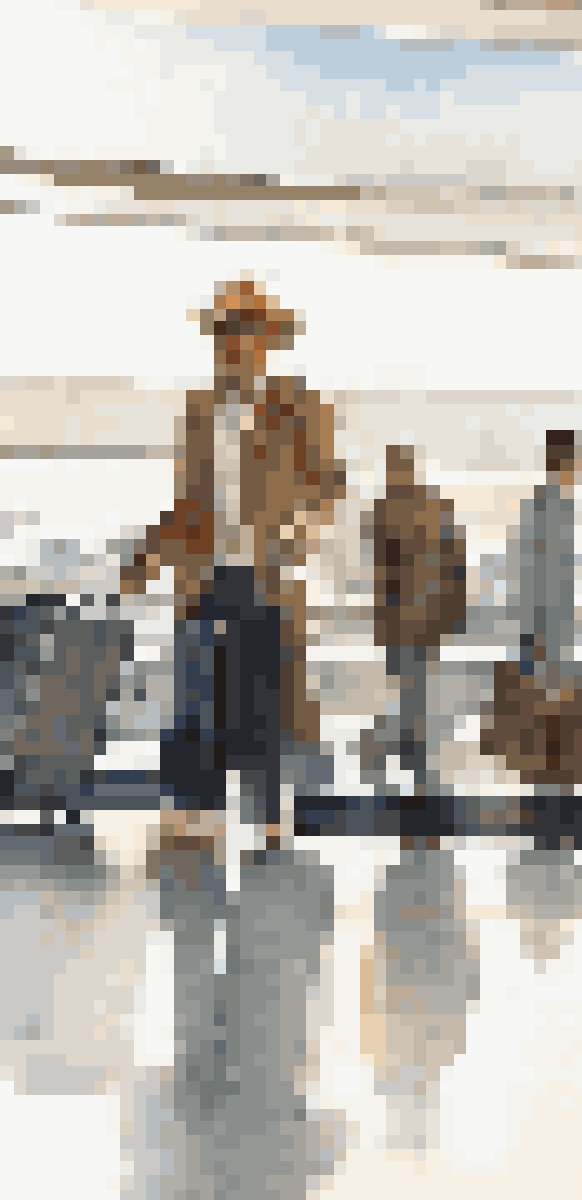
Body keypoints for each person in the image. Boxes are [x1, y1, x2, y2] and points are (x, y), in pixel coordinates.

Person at [127, 280, 345, 846]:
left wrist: (302, 527)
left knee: (262, 699)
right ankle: (189, 814)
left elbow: (330, 483)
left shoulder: (295, 402)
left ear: (267, 340)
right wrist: (148, 554)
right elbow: (189, 498)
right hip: (203, 572)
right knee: (195, 696)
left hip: (266, 576)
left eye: (246, 331)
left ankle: (270, 815)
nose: (236, 343)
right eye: (227, 332)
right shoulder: (200, 409)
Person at [366, 444, 468, 800]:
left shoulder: (392, 512)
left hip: (413, 621)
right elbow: (385, 573)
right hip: (420, 620)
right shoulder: (427, 510)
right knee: (415, 694)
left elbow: (384, 573)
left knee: (413, 695)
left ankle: (414, 770)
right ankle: (414, 770)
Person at [502, 430, 582, 834]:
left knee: (548, 727)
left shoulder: (544, 508)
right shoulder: (552, 511)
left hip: (544, 636)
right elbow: (546, 586)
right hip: (548, 638)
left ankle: (546, 810)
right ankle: (550, 814)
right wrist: (544, 648)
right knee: (550, 727)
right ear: (568, 463)